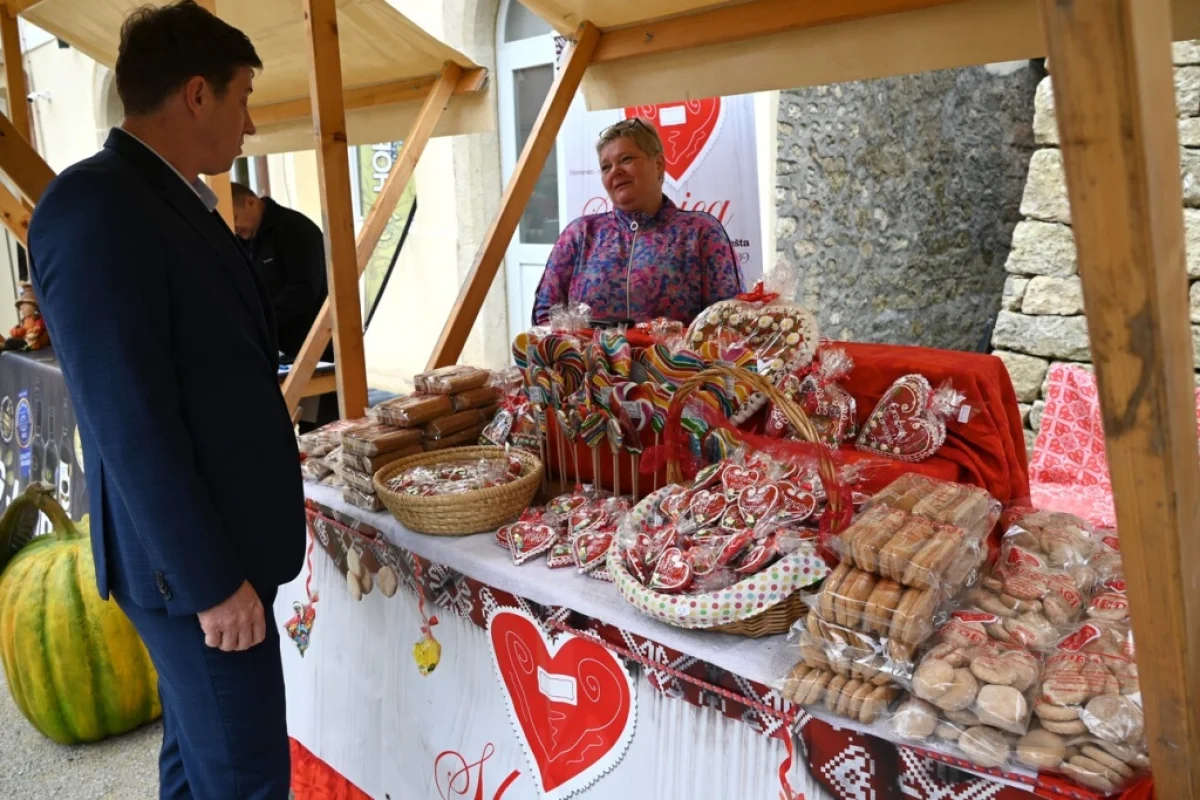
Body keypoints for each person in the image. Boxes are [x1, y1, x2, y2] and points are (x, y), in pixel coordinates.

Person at [27, 3, 302, 798]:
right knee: (244, 779)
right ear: (196, 95)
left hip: (219, 552)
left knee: (197, 761)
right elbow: (128, 421)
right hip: (193, 573)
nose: (250, 124)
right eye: (243, 98)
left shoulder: (167, 196)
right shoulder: (95, 207)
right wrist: (209, 581)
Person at [531, 117, 744, 326]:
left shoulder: (701, 232)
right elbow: (544, 316)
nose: (615, 171)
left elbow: (729, 319)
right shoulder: (580, 234)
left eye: (626, 159)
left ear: (658, 164)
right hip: (584, 353)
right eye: (606, 167)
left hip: (678, 352)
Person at [230, 182, 327, 362]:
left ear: (251, 203)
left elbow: (304, 289)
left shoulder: (295, 229)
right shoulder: (243, 239)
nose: (234, 227)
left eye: (235, 218)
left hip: (310, 346)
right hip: (273, 347)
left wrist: (262, 321)